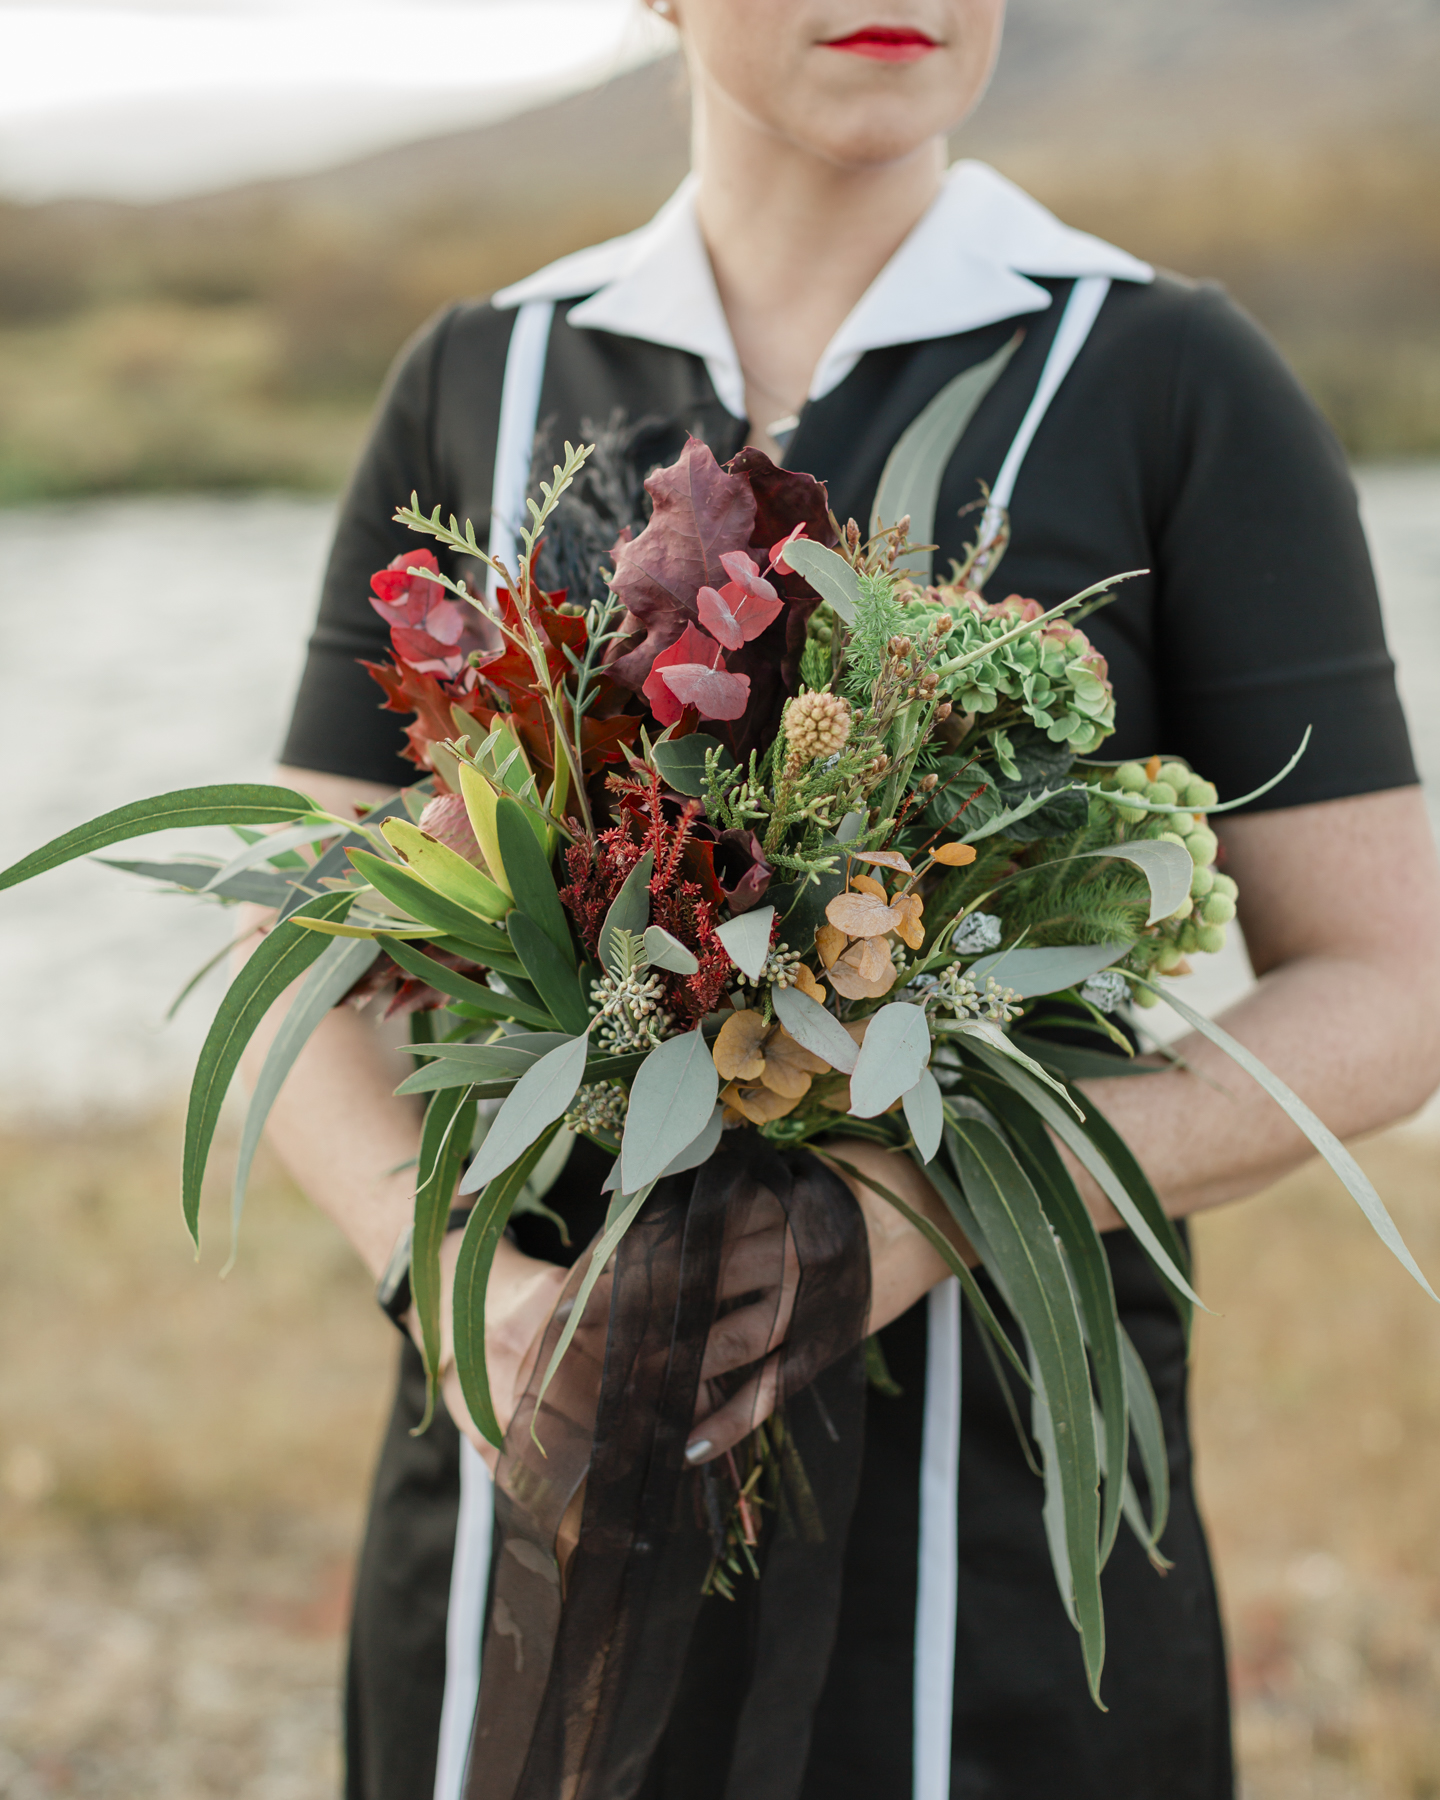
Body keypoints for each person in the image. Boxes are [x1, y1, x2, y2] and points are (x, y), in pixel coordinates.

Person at [247, 3, 1440, 1796]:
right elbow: (302, 932)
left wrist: (926, 1210)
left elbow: (1391, 976)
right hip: (529, 1479)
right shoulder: (483, 383)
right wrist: (462, 1298)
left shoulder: (1172, 373)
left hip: (998, 1526)